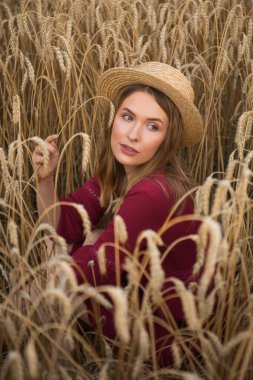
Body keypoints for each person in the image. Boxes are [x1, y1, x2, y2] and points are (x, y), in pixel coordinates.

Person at [32, 62, 203, 366]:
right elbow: (65, 224)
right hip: (143, 293)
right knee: (85, 238)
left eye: (153, 126)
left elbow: (94, 268)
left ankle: (29, 345)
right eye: (127, 117)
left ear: (167, 139)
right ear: (113, 119)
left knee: (61, 268)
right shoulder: (119, 174)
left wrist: (46, 274)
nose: (133, 134)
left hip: (164, 332)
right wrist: (45, 179)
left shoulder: (155, 192)